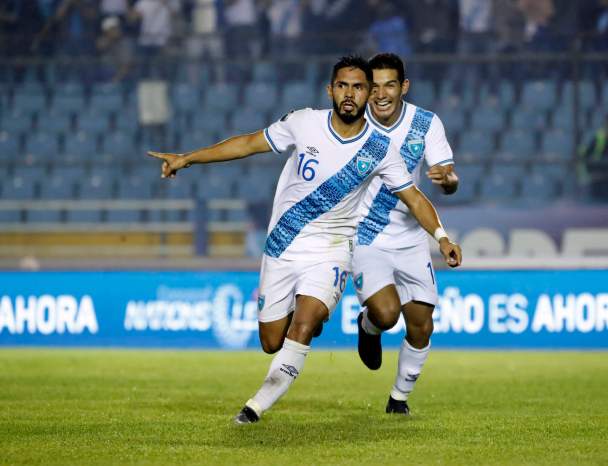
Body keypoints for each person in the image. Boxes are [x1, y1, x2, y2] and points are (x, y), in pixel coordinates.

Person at [147, 56, 463, 424]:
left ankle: (254, 407)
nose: (350, 94)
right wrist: (187, 159)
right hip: (284, 244)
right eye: (343, 86)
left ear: (367, 95)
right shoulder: (303, 123)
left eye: (358, 87)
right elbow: (248, 144)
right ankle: (308, 319)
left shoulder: (380, 149)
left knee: (304, 326)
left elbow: (415, 198)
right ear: (330, 90)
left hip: (331, 251)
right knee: (271, 342)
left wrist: (441, 237)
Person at [352, 53, 459, 415]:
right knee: (386, 314)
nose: (381, 94)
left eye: (390, 85)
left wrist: (448, 182)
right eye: (375, 86)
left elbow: (444, 175)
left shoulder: (425, 123)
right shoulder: (352, 123)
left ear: (404, 87)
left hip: (411, 237)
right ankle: (368, 325)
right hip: (366, 235)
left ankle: (398, 399)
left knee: (421, 325)